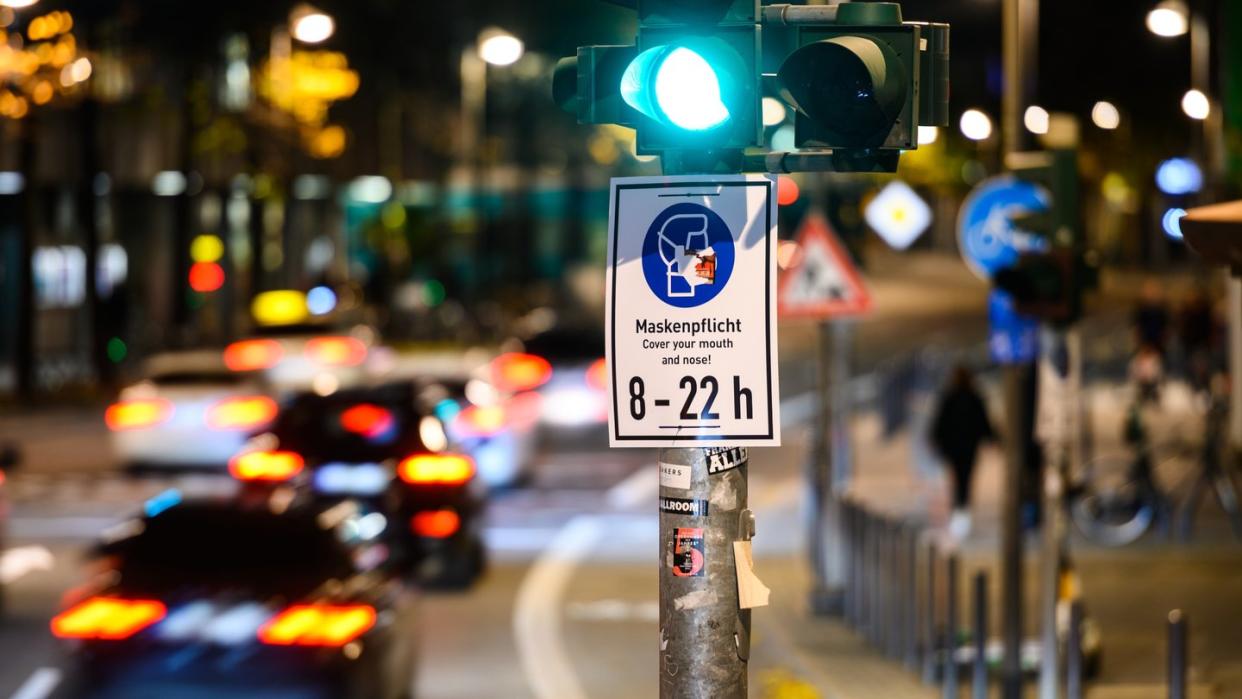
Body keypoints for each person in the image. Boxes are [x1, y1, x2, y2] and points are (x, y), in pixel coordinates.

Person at [930, 365, 995, 538]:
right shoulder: (974, 398)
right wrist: (993, 438)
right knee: (965, 481)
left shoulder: (950, 398)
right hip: (968, 449)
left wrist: (936, 440)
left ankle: (959, 514)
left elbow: (939, 423)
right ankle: (962, 514)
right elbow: (984, 422)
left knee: (958, 481)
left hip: (954, 450)